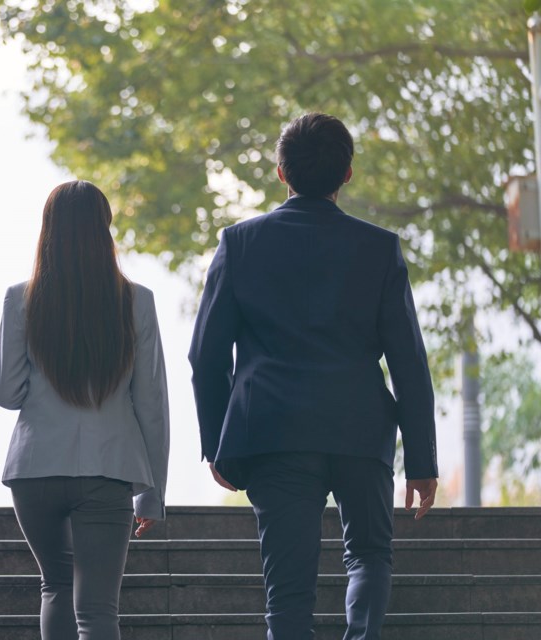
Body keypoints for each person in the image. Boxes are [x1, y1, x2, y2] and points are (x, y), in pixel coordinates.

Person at [189, 113, 439, 640]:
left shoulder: (239, 244)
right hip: (360, 427)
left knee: (288, 588)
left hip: (273, 432)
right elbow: (408, 361)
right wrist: (422, 460)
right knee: (369, 555)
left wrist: (216, 444)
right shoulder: (379, 248)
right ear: (348, 174)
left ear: (281, 171)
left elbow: (205, 356)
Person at [0, 180, 170, 640]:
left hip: (35, 469)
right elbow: (151, 404)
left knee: (55, 587)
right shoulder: (137, 301)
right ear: (105, 230)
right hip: (108, 469)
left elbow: (5, 392)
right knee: (97, 609)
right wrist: (152, 492)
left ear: (47, 230)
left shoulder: (20, 298)